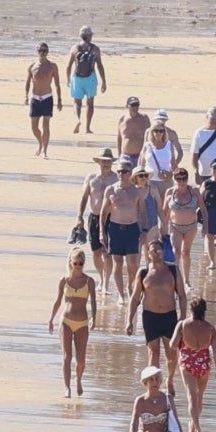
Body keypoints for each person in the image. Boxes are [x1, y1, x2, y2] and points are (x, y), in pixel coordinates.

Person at [126, 241, 186, 370]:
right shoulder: (143, 272)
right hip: (150, 317)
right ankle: (153, 381)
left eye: (159, 250)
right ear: (148, 253)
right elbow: (135, 298)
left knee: (171, 354)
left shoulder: (173, 270)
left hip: (169, 316)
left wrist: (182, 317)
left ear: (163, 252)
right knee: (153, 353)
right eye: (153, 251)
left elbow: (182, 295)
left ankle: (169, 379)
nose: (156, 253)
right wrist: (129, 321)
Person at [46, 248, 96, 398]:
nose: (79, 266)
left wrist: (94, 317)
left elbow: (93, 301)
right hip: (66, 321)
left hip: (82, 323)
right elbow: (58, 301)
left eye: (81, 263)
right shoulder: (64, 280)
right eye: (76, 263)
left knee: (81, 360)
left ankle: (78, 380)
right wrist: (51, 319)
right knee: (67, 356)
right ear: (71, 263)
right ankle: (67, 388)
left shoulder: (89, 281)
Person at [170, 297, 216, 432]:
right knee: (199, 396)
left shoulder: (183, 325)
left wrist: (182, 339)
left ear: (191, 310)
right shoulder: (210, 328)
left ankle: (197, 428)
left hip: (188, 363)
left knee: (191, 396)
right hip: (204, 363)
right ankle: (193, 423)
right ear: (204, 311)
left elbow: (173, 345)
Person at [100, 159, 144, 300]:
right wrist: (102, 232)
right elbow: (103, 213)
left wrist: (145, 230)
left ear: (130, 173)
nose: (121, 174)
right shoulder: (111, 189)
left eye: (124, 171)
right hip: (115, 228)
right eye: (119, 171)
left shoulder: (136, 190)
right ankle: (121, 295)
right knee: (117, 262)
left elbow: (142, 212)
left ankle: (130, 286)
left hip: (132, 228)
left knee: (132, 263)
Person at [77, 150, 119, 295]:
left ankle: (106, 283)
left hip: (111, 218)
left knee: (107, 252)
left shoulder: (116, 179)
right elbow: (84, 198)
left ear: (112, 162)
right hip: (94, 217)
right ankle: (101, 278)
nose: (106, 163)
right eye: (103, 160)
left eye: (108, 161)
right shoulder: (91, 178)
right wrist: (79, 217)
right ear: (99, 162)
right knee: (96, 253)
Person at [163, 167, 207, 277]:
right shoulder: (170, 192)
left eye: (184, 179)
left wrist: (205, 226)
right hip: (175, 226)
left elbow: (203, 209)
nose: (181, 182)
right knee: (176, 251)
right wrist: (162, 229)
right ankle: (175, 277)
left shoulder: (194, 191)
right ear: (174, 179)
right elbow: (164, 212)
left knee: (186, 253)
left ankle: (186, 280)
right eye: (178, 179)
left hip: (191, 226)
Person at [24, 42, 62, 158]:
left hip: (47, 97)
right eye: (40, 50)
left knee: (46, 125)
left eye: (44, 50)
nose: (42, 53)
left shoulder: (52, 66)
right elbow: (28, 82)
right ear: (37, 51)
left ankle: (45, 150)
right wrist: (26, 96)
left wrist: (59, 100)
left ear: (48, 52)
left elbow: (57, 84)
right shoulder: (32, 66)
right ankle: (40, 143)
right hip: (35, 98)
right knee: (34, 127)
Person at [66, 26, 107, 133]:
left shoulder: (74, 48)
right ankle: (87, 128)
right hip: (90, 78)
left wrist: (68, 79)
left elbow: (69, 65)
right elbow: (100, 66)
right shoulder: (95, 49)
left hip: (77, 78)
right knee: (90, 103)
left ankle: (77, 119)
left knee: (77, 102)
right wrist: (104, 81)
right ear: (90, 36)